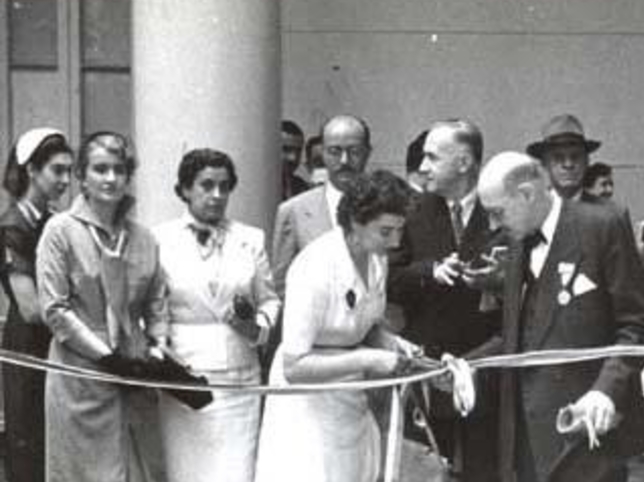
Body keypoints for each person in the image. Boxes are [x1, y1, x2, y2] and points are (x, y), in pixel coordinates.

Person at [476, 152, 644, 482]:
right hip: (526, 437)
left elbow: (638, 326)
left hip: (585, 431)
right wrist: (466, 366)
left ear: (528, 194)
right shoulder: (518, 241)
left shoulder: (602, 226)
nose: (494, 224)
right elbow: (522, 333)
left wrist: (605, 391)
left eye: (497, 212)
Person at [255, 170, 422, 482]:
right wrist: (369, 359)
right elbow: (295, 367)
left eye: (399, 230)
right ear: (355, 223)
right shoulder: (314, 266)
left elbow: (365, 323)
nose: (396, 241)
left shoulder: (377, 258)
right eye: (386, 231)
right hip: (305, 405)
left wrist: (393, 343)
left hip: (350, 397)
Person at [37, 131, 168, 482]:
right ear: (82, 176)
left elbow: (157, 304)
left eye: (120, 169)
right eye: (100, 169)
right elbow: (55, 309)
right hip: (81, 376)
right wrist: (106, 357)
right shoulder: (60, 231)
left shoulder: (143, 238)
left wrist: (157, 349)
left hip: (134, 377)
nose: (111, 178)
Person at [153, 149, 281, 482]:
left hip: (240, 374)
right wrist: (160, 350)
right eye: (206, 185)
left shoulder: (250, 239)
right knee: (187, 471)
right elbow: (151, 307)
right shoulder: (159, 240)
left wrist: (258, 327)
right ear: (184, 189)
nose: (217, 195)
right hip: (186, 379)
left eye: (224, 187)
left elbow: (269, 300)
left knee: (235, 471)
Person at [388, 119, 503, 480]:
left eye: (432, 157)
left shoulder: (500, 211)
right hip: (429, 365)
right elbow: (386, 280)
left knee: (485, 468)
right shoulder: (411, 212)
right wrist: (428, 271)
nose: (422, 167)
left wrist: (496, 281)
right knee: (425, 467)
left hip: (485, 367)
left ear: (465, 162)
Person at [0, 128, 73, 482]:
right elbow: (30, 307)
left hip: (58, 345)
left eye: (69, 171)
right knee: (28, 439)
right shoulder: (12, 227)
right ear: (31, 170)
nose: (65, 180)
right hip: (28, 347)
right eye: (57, 171)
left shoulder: (57, 223)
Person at [272, 114, 371, 294]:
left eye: (354, 151)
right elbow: (281, 286)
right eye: (334, 151)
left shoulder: (387, 208)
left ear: (367, 153)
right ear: (323, 153)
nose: (344, 161)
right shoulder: (294, 211)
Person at [526, 114, 601, 202]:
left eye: (575, 156)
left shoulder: (607, 212)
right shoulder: (531, 211)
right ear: (544, 163)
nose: (568, 164)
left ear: (587, 161)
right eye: (558, 157)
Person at [281, 120, 310, 201]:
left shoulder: (302, 189)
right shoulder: (257, 187)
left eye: (298, 151)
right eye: (286, 149)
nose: (293, 158)